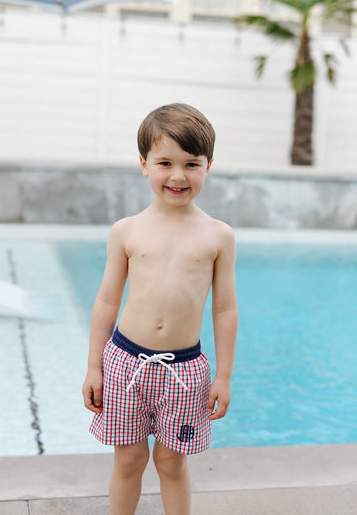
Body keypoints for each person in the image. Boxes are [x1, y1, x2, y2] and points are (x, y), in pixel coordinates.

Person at [82, 103, 238, 515]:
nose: (177, 176)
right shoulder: (126, 231)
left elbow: (224, 310)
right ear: (144, 165)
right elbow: (107, 300)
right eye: (165, 162)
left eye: (192, 164)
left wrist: (223, 375)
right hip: (124, 362)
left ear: (208, 166)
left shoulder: (218, 236)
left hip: (185, 369)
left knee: (171, 462)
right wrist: (94, 366)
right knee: (129, 460)